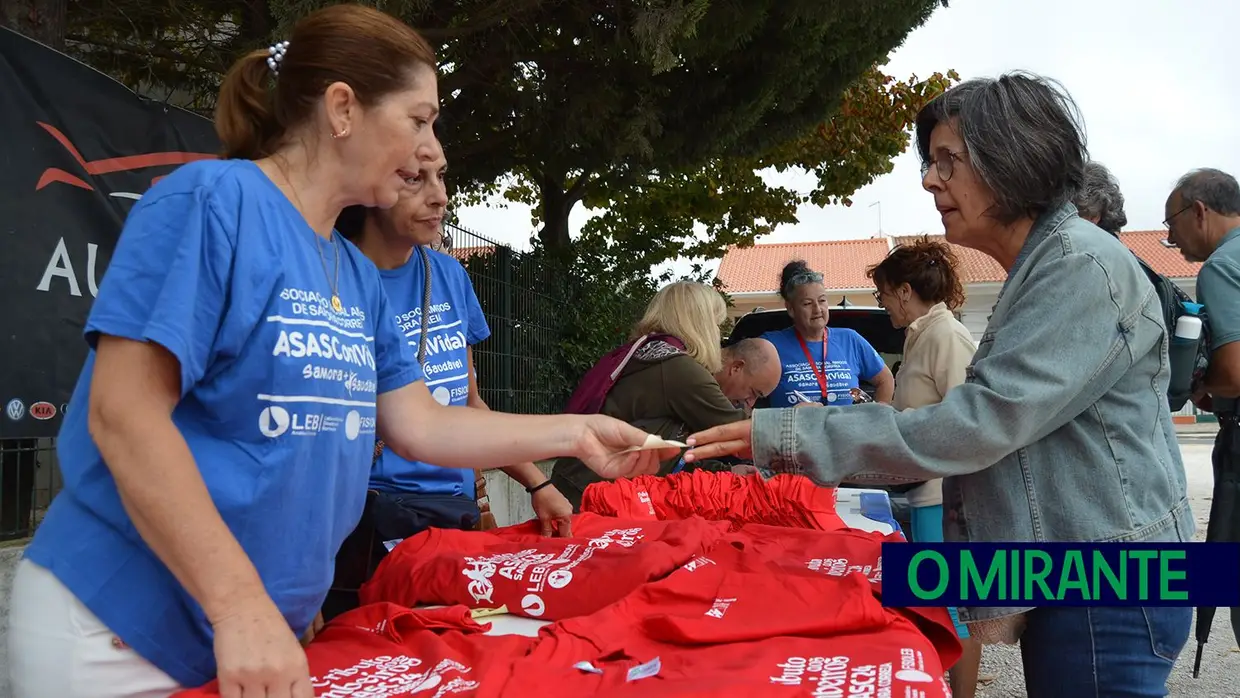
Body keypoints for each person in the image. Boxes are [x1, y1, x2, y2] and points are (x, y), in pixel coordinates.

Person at [5, 7, 671, 698]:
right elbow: (124, 415)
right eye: (419, 119)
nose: (427, 148)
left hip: (242, 640)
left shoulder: (351, 273)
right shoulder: (212, 202)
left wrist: (579, 432)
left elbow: (424, 423)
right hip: (118, 636)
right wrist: (241, 605)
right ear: (343, 109)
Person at [684, 72, 1193, 697]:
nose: (930, 180)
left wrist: (785, 435)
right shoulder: (1047, 267)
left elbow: (975, 426)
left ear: (1015, 158)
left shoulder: (1080, 266)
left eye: (948, 161)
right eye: (930, 163)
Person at [866, 236, 983, 698]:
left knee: (952, 606)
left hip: (944, 497)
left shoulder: (946, 336)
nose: (883, 305)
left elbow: (967, 420)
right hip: (921, 493)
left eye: (883, 295)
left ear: (905, 291)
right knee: (932, 602)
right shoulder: (920, 336)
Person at [550, 282, 782, 509]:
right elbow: (740, 432)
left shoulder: (648, 352)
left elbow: (671, 448)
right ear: (698, 322)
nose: (717, 334)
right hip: (590, 493)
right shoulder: (678, 368)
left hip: (579, 483)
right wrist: (799, 422)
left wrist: (726, 470)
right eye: (716, 324)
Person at [1165, 167, 1240, 646]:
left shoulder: (1222, 266)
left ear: (1199, 211)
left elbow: (1234, 372)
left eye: (1171, 223)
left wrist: (1196, 388)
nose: (1170, 236)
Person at [762, 260, 895, 407]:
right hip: (793, 430)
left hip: (846, 430)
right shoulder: (771, 345)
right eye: (807, 303)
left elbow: (885, 380)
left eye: (822, 300)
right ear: (791, 309)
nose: (818, 309)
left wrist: (877, 420)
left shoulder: (850, 339)